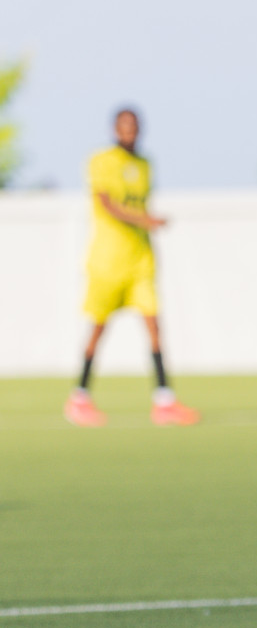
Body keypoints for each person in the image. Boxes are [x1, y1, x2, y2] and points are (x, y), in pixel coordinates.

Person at [64, 108, 199, 428]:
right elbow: (107, 204)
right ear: (115, 129)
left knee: (154, 326)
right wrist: (146, 220)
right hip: (108, 262)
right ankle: (79, 396)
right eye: (124, 127)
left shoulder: (144, 164)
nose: (129, 132)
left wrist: (146, 224)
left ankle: (164, 400)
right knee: (98, 328)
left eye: (134, 127)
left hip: (141, 261)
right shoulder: (101, 161)